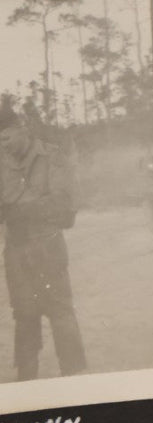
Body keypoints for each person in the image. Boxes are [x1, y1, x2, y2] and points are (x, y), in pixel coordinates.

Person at [0, 106, 85, 380]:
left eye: (5, 135)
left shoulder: (52, 156)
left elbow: (66, 208)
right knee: (24, 317)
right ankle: (25, 386)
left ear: (22, 126)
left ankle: (76, 380)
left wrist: (18, 210)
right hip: (16, 252)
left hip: (47, 249)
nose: (3, 143)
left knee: (61, 313)